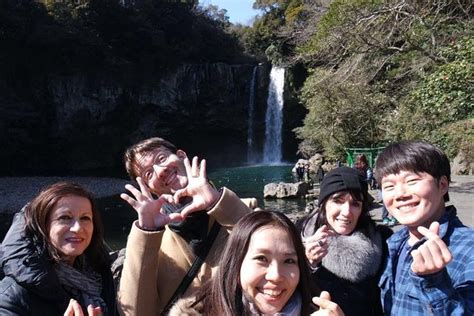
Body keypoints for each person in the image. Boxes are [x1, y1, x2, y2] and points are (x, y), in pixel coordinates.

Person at [117, 137, 258, 315]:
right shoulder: (154, 245)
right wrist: (147, 232)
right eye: (148, 174)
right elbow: (134, 313)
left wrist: (217, 203)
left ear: (182, 156)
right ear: (150, 189)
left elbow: (275, 255)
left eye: (161, 159)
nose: (160, 171)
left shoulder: (243, 210)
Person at [169, 210, 344, 315]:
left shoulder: (319, 311)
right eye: (261, 259)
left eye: (289, 260)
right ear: (235, 263)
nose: (276, 275)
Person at [375, 140, 474, 315]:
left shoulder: (469, 249)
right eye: (389, 186)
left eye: (412, 180)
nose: (400, 194)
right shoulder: (393, 243)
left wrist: (434, 281)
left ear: (442, 185)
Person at [0, 182, 116, 315]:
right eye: (65, 218)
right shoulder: (12, 296)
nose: (77, 228)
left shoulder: (101, 277)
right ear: (44, 226)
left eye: (85, 218)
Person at [299, 166, 391, 316]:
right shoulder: (297, 236)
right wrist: (308, 264)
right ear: (323, 203)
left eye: (355, 203)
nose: (347, 212)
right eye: (338, 201)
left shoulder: (383, 241)